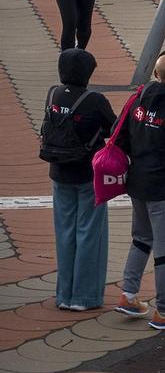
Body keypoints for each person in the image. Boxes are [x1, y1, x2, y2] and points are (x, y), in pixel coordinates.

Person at [115, 48, 165, 330]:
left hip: (136, 182)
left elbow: (118, 135)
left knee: (141, 238)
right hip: (162, 188)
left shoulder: (136, 101)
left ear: (156, 73)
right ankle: (164, 310)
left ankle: (128, 294)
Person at [40, 48, 116, 312]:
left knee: (64, 233)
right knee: (89, 234)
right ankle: (84, 297)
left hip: (59, 173)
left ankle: (64, 294)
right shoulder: (94, 100)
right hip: (88, 175)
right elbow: (114, 128)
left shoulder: (53, 94)